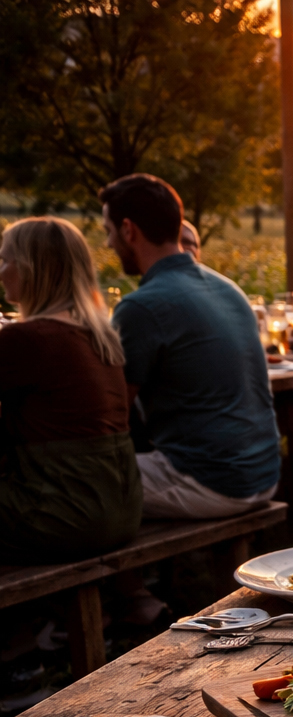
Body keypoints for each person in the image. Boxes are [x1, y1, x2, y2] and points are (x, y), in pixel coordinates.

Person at [101, 173, 282, 519]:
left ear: (128, 230)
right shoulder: (229, 289)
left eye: (108, 231)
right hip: (264, 475)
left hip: (212, 483)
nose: (108, 243)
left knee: (68, 485)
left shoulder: (141, 306)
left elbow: (110, 413)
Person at [0, 217, 142, 564]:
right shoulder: (99, 334)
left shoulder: (29, 339)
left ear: (31, 268)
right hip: (121, 511)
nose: (0, 270)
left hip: (63, 518)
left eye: (5, 260)